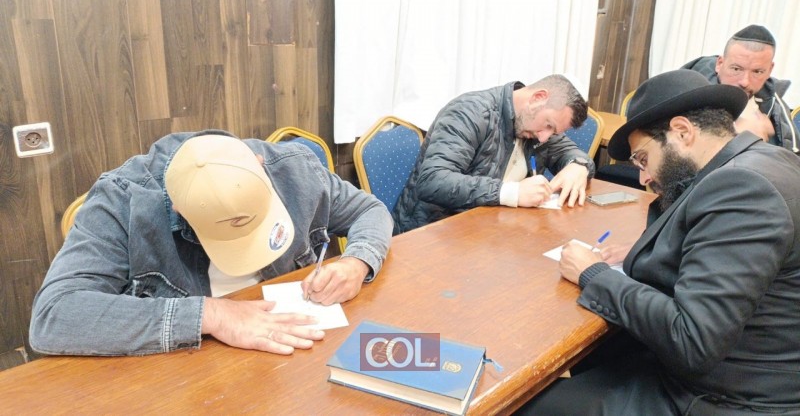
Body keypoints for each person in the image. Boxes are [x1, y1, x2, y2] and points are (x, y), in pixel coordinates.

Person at [517, 70, 800, 415]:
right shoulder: (767, 161)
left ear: (682, 132)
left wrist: (593, 274)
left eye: (643, 158)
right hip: (732, 370)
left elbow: (692, 341)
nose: (644, 176)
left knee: (524, 404)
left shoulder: (742, 190)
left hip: (724, 398)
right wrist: (652, 253)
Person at [29, 130, 393, 357]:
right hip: (189, 370)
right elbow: (53, 316)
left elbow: (370, 211)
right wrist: (210, 315)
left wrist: (356, 261)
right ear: (176, 207)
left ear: (259, 166)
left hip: (298, 349)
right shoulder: (122, 200)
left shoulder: (292, 169)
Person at [392, 74, 594, 234]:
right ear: (537, 98)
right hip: (432, 234)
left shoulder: (536, 127)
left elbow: (571, 153)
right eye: (548, 125)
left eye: (553, 132)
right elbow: (433, 181)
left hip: (490, 234)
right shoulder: (469, 113)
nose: (544, 137)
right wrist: (513, 193)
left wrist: (578, 165)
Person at [682, 24, 797, 153]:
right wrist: (738, 137)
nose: (745, 82)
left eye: (757, 72)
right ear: (720, 64)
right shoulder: (687, 95)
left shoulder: (775, 105)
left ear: (770, 70)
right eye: (736, 69)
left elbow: (793, 159)